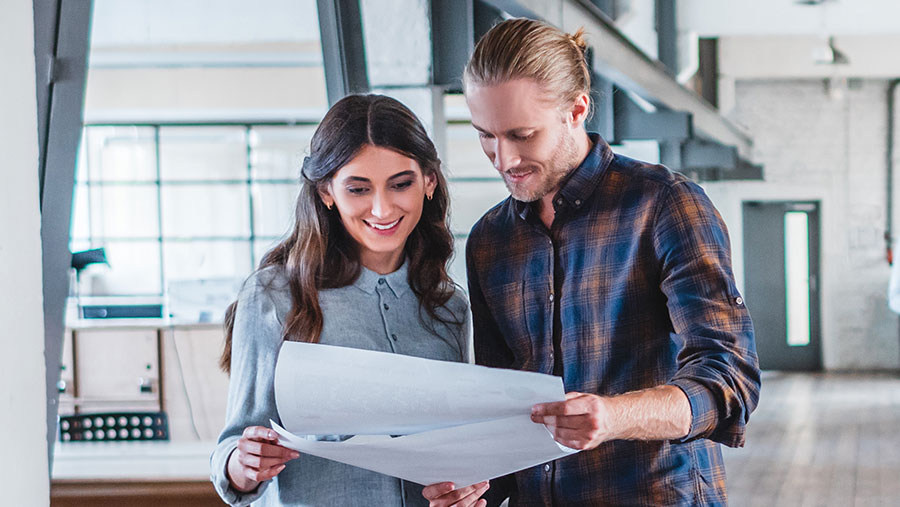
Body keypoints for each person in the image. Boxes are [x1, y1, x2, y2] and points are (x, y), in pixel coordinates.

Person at [461, 19, 761, 506]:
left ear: (576, 109)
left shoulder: (665, 205)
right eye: (486, 136)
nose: (504, 158)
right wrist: (476, 489)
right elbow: (504, 407)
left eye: (522, 134)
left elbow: (730, 381)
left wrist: (613, 416)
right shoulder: (490, 240)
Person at [210, 94, 488, 507]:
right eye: (358, 188)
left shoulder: (449, 306)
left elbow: (453, 450)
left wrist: (463, 490)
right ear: (327, 191)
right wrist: (243, 464)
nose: (382, 207)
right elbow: (234, 449)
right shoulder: (274, 295)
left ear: (429, 181)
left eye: (401, 184)